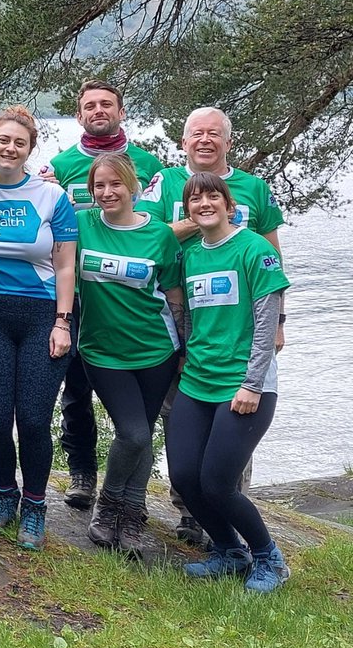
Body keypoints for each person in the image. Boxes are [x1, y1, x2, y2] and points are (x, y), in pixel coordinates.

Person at [138, 105, 285, 543]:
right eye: (195, 134)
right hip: (184, 320)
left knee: (232, 433)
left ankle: (235, 518)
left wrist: (280, 321)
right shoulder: (165, 182)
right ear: (183, 142)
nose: (204, 140)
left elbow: (272, 253)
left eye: (213, 134)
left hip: (242, 325)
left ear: (228, 141)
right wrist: (200, 222)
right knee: (182, 421)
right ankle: (191, 514)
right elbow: (150, 234)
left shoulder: (255, 189)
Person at [0, 105, 77, 551]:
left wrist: (63, 322)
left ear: (29, 150)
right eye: (2, 140)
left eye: (19, 143)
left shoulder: (51, 197)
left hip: (44, 314)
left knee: (32, 417)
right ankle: (5, 495)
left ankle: (36, 505)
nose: (9, 148)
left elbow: (66, 265)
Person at [43, 79, 165, 510]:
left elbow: (163, 225)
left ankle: (134, 492)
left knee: (137, 415)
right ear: (79, 115)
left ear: (121, 110)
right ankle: (81, 472)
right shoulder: (59, 164)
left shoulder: (150, 164)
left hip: (133, 296)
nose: (98, 110)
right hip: (79, 295)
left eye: (106, 104)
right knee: (75, 390)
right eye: (90, 105)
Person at [167, 172, 290, 593]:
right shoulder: (190, 255)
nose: (204, 203)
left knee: (218, 482)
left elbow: (266, 322)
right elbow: (187, 317)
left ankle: (268, 556)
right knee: (184, 476)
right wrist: (183, 355)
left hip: (244, 384)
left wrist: (252, 384)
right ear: (187, 210)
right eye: (195, 199)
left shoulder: (254, 249)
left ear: (229, 204)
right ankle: (227, 550)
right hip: (198, 380)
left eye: (212, 196)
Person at [74, 153, 183, 554]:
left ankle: (132, 515)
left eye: (115, 184)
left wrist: (185, 350)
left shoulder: (160, 235)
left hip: (157, 351)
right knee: (134, 432)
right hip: (101, 352)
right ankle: (107, 507)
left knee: (142, 434)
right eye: (99, 186)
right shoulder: (81, 224)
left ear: (132, 186)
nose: (107, 193)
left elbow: (174, 297)